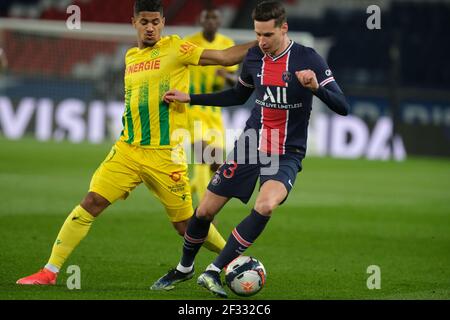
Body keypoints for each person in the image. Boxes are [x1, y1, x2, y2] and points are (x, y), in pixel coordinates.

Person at [16, 0, 256, 287]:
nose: (151, 27)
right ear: (134, 23)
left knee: (185, 225)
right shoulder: (130, 57)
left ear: (163, 23)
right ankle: (49, 271)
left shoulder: (177, 48)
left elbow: (225, 56)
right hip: (127, 150)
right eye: (145, 22)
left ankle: (234, 256)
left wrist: (261, 42)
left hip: (165, 155)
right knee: (91, 201)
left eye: (156, 22)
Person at [151, 0, 350, 297]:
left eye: (267, 35)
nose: (261, 41)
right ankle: (184, 268)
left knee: (266, 205)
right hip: (250, 145)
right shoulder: (255, 57)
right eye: (257, 34)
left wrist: (315, 89)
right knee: (204, 210)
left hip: (286, 151)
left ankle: (213, 271)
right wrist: (190, 98)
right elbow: (236, 95)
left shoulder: (308, 58)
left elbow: (343, 106)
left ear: (283, 28)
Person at [185, 8, 238, 203]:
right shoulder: (189, 43)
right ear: (200, 20)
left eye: (214, 17)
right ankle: (204, 213)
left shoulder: (227, 44)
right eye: (206, 17)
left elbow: (236, 81)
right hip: (193, 109)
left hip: (215, 113)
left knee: (216, 166)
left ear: (220, 20)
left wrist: (227, 76)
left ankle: (188, 190)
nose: (210, 21)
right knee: (203, 156)